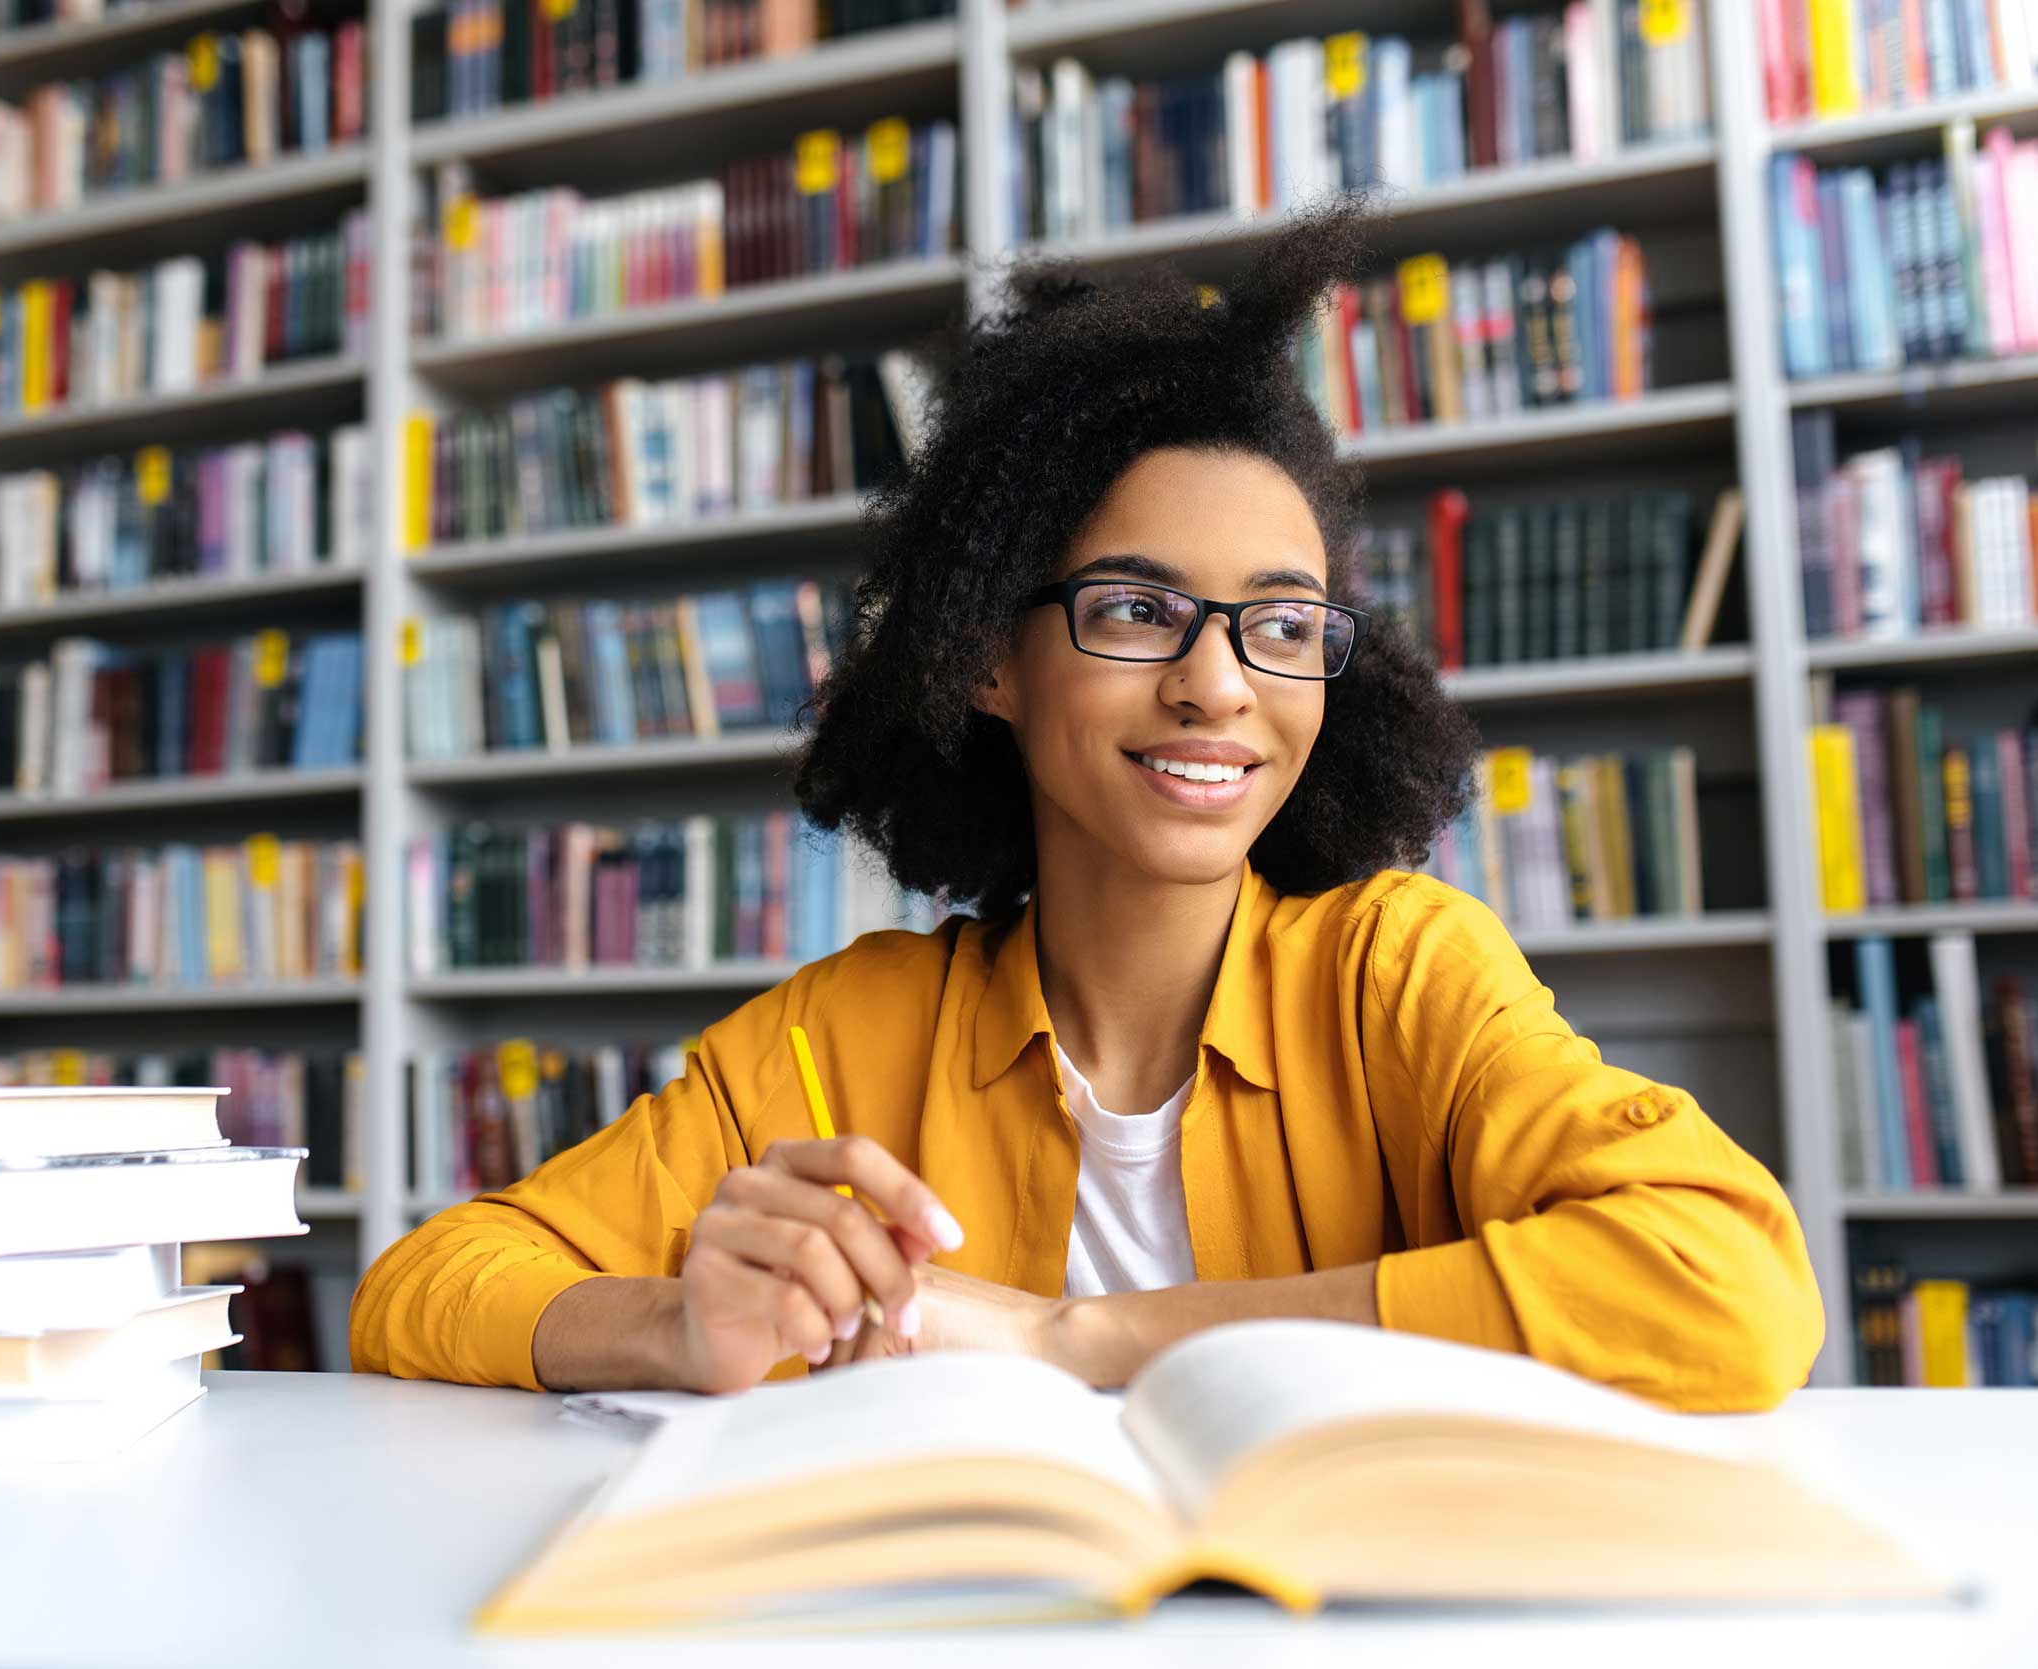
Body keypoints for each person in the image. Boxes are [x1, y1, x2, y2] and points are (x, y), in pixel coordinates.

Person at [352, 204, 1824, 1410]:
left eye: (1282, 622)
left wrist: (1082, 1340)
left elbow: (1731, 1287)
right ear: (988, 652)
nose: (1218, 684)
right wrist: (677, 1321)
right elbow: (418, 1290)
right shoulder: (834, 1040)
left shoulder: (1402, 974)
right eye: (1137, 608)